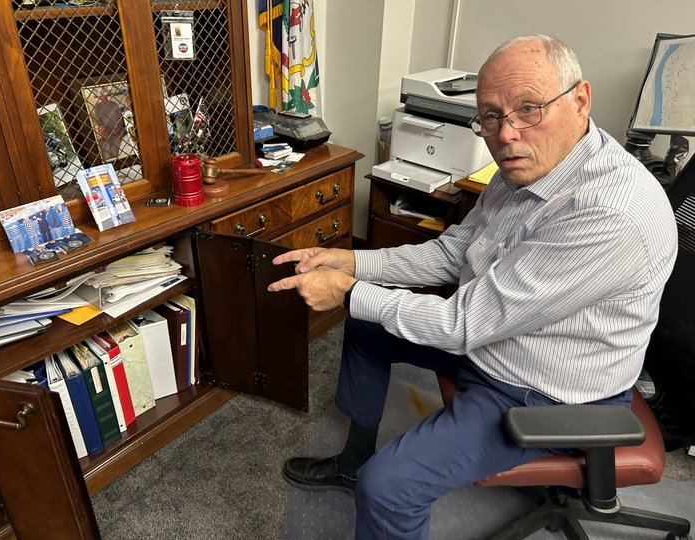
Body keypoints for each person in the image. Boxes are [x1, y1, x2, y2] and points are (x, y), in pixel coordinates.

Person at [266, 34, 678, 539]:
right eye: (489, 117)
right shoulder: (525, 165)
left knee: (389, 488)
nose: (506, 134)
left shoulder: (611, 214)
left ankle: (368, 479)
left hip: (544, 390)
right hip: (497, 339)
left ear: (580, 99)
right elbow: (452, 252)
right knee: (368, 328)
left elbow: (463, 324)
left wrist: (348, 290)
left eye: (529, 109)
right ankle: (351, 462)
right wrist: (350, 260)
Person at [92, 88, 125, 162]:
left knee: (122, 146)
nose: (103, 94)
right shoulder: (97, 107)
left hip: (118, 130)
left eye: (104, 91)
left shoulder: (114, 104)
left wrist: (118, 127)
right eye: (100, 92)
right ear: (98, 94)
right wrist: (109, 131)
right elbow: (99, 122)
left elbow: (120, 117)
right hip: (107, 132)